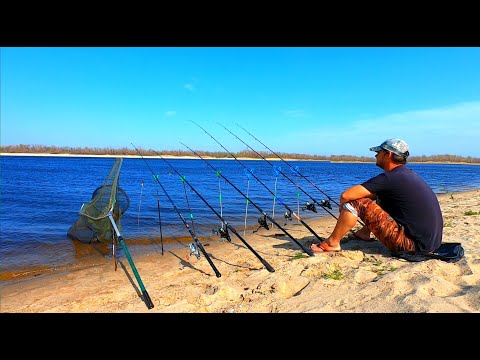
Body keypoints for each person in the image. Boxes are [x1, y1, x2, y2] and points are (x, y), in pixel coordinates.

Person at [311, 138, 443, 254]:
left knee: (355, 203)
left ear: (388, 154)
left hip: (411, 246)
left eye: (378, 152)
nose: (375, 156)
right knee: (381, 197)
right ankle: (364, 233)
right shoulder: (407, 175)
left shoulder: (390, 178)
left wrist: (344, 209)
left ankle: (332, 243)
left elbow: (346, 195)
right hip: (430, 244)